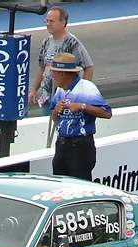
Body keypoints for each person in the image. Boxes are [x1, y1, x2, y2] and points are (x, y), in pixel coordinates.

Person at [50, 53, 112, 181]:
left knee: (80, 185)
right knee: (60, 184)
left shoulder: (87, 88)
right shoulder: (60, 90)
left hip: (80, 146)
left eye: (54, 72)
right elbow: (55, 118)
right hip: (61, 145)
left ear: (63, 73)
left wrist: (82, 106)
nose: (52, 76)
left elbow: (106, 113)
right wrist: (56, 110)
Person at [28, 6, 94, 115]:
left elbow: (89, 67)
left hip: (65, 99)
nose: (48, 24)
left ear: (63, 23)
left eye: (52, 21)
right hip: (47, 97)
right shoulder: (46, 42)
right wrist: (34, 90)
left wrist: (82, 94)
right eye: (47, 21)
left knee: (62, 124)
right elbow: (42, 68)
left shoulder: (72, 43)